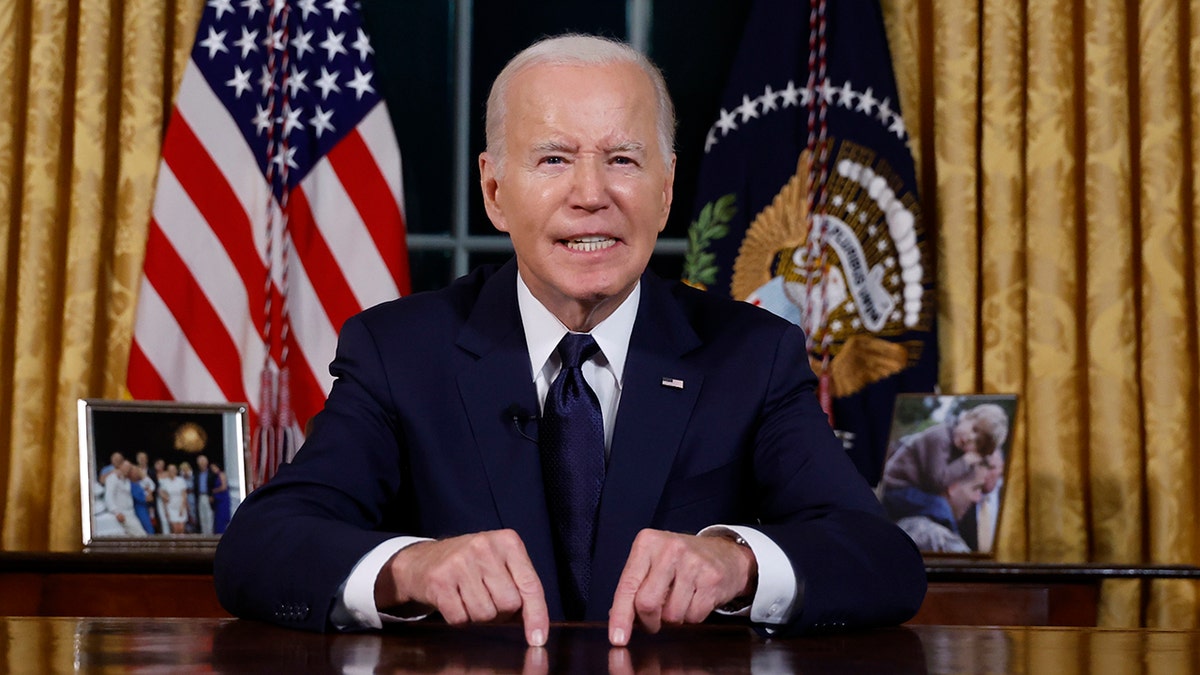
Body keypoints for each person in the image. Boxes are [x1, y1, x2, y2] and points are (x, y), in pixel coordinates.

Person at [214, 33, 926, 646]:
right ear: (494, 191)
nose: (592, 193)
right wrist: (408, 568)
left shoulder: (753, 354)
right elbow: (261, 547)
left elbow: (881, 559)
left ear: (667, 187)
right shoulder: (400, 351)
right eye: (553, 159)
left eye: (623, 159)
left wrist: (739, 559)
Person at [879, 403, 1009, 529]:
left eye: (978, 442)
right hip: (893, 488)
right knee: (939, 506)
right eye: (974, 429)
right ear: (966, 417)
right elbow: (937, 482)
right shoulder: (939, 437)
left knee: (941, 507)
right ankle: (951, 544)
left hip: (912, 491)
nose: (970, 438)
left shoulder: (957, 448)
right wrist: (966, 461)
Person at [960, 448, 1005, 553]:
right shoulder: (961, 496)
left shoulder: (1009, 497)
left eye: (991, 468)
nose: (985, 474)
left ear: (1002, 468)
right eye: (981, 466)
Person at [104, 460, 147, 536]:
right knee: (141, 535)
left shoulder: (127, 480)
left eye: (129, 468)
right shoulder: (112, 478)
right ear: (120, 466)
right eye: (125, 467)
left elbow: (145, 483)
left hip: (131, 512)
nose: (127, 470)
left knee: (131, 536)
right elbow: (108, 496)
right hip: (121, 513)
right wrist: (117, 512)